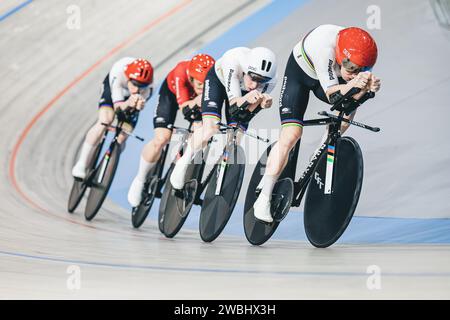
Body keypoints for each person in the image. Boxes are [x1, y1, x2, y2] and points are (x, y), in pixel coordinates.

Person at [253, 25, 381, 223]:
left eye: (362, 70)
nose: (356, 74)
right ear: (340, 56)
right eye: (352, 69)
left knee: (348, 109)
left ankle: (321, 149)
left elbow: (347, 99)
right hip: (300, 76)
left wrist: (366, 90)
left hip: (329, 76)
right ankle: (263, 197)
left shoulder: (355, 58)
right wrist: (356, 85)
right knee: (292, 134)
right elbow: (333, 95)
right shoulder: (325, 50)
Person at [169, 47, 278, 190]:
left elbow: (243, 115)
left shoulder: (270, 82)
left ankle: (219, 173)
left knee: (235, 137)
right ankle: (184, 160)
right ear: (245, 69)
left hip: (242, 94)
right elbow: (234, 106)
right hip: (218, 82)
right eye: (253, 78)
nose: (256, 85)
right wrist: (248, 99)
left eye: (262, 81)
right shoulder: (233, 61)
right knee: (210, 129)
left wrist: (260, 105)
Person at [127, 54, 215, 207]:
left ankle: (183, 165)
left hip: (195, 101)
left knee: (201, 134)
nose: (202, 87)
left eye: (205, 84)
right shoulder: (182, 71)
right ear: (192, 78)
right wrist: (197, 101)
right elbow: (185, 108)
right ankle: (140, 179)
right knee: (162, 138)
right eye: (199, 84)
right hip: (172, 96)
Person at [72, 58, 154, 179]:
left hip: (128, 101)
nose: (137, 90)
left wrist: (137, 106)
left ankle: (110, 165)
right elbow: (118, 108)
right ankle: (82, 163)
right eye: (135, 84)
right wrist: (129, 103)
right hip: (113, 91)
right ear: (128, 78)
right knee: (105, 121)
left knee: (123, 135)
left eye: (141, 86)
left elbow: (133, 110)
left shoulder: (147, 90)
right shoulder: (119, 72)